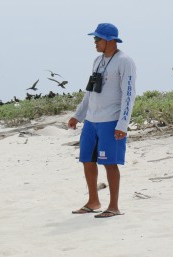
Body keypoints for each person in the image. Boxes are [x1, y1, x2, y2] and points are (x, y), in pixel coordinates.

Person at [68, 23, 136, 218]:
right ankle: (93, 201)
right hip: (91, 120)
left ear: (109, 40)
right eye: (94, 39)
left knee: (109, 163)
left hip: (111, 120)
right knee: (87, 161)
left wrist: (123, 124)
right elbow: (90, 91)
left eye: (97, 39)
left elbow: (129, 94)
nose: (95, 42)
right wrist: (78, 115)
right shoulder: (97, 61)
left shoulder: (125, 61)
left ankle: (113, 206)